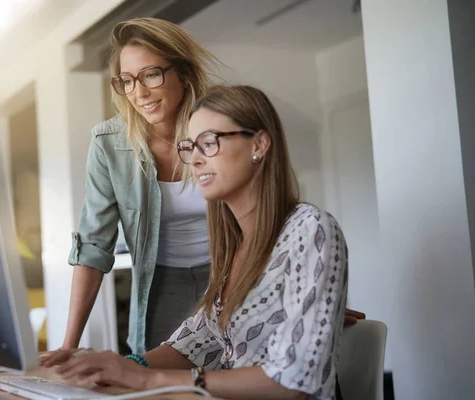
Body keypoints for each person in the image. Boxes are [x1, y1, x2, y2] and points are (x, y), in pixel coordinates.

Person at [41, 17, 364, 365]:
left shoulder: (220, 125)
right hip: (162, 279)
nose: (140, 92)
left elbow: (268, 203)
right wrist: (68, 345)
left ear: (182, 72)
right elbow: (93, 245)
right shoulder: (109, 144)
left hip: (235, 267)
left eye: (151, 74)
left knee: (243, 364)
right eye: (127, 81)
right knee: (158, 370)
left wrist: (306, 291)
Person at [46, 85, 349, 400]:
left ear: (259, 144)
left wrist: (147, 379)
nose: (195, 160)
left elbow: (295, 381)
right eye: (190, 147)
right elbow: (197, 341)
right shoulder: (233, 245)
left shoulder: (310, 229)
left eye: (209, 143)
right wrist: (118, 366)